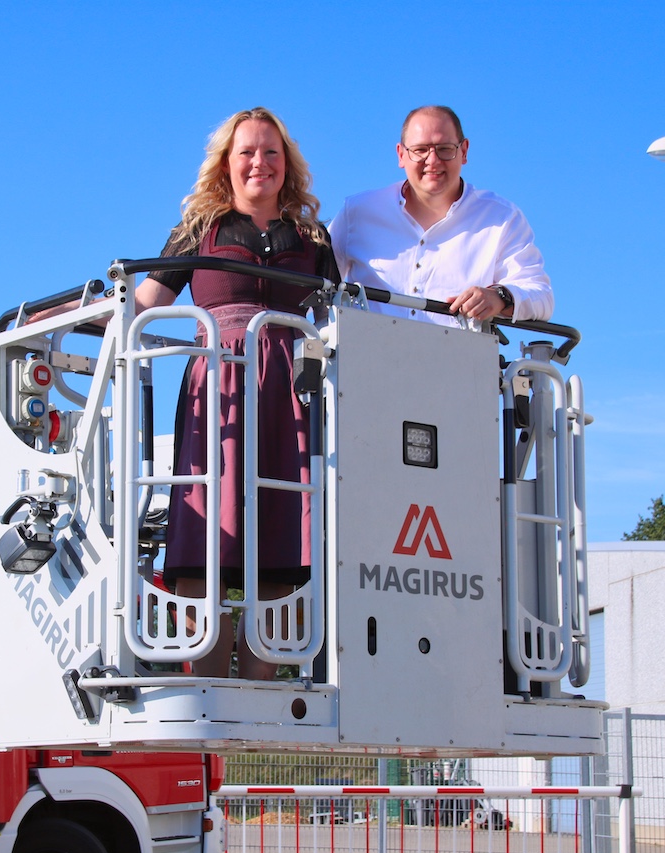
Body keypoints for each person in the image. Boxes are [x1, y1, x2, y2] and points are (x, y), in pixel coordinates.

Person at [135, 107, 340, 679]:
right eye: (247, 152)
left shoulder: (311, 237)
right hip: (219, 387)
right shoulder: (201, 227)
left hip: (288, 396)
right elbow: (146, 301)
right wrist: (80, 314)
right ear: (227, 162)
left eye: (271, 152)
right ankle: (203, 695)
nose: (259, 163)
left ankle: (260, 697)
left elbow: (339, 314)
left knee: (278, 540)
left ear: (286, 163)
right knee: (209, 534)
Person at [329, 105, 553, 325]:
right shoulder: (357, 212)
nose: (433, 160)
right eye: (420, 150)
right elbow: (318, 284)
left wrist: (500, 296)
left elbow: (542, 296)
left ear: (464, 151)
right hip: (364, 359)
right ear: (401, 155)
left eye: (445, 149)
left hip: (460, 361)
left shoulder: (502, 218)